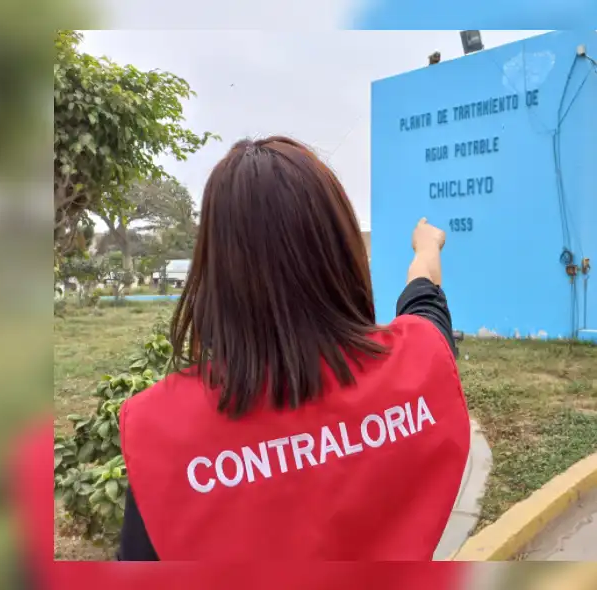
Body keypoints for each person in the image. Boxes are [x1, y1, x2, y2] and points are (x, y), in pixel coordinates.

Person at [117, 136, 470, 561]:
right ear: (339, 250)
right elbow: (424, 291)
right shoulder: (418, 364)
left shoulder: (164, 434)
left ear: (215, 269)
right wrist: (427, 245)